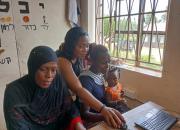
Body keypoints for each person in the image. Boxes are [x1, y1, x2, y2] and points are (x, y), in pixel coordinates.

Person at [57, 27, 125, 128]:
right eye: (81, 46)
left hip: (70, 97)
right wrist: (103, 109)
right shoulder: (63, 61)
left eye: (87, 46)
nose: (85, 50)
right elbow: (79, 89)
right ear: (71, 45)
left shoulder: (78, 57)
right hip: (57, 100)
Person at [4, 46, 85, 130]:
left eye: (53, 70)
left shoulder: (57, 81)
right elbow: (17, 126)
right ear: (33, 68)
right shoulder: (14, 91)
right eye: (43, 69)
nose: (49, 75)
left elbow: (70, 108)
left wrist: (78, 125)